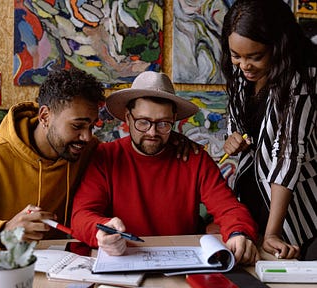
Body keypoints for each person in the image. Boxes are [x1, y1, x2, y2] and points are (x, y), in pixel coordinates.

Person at [71, 71, 260, 265]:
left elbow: (228, 207)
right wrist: (101, 232)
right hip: (122, 261)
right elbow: (80, 216)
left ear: (174, 119)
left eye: (163, 124)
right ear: (127, 118)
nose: (152, 132)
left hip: (182, 264)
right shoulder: (105, 157)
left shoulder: (194, 158)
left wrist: (239, 232)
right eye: (143, 122)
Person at [220, 0, 317, 260]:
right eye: (236, 55)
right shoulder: (242, 74)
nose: (244, 65)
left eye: (255, 56)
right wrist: (232, 136)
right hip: (253, 199)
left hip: (291, 207)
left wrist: (273, 232)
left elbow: (288, 154)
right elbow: (238, 120)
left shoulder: (300, 81)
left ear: (278, 45)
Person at [0, 67, 105, 248]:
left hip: (65, 265)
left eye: (92, 126)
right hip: (4, 268)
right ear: (45, 116)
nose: (87, 137)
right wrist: (5, 230)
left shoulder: (89, 151)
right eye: (77, 126)